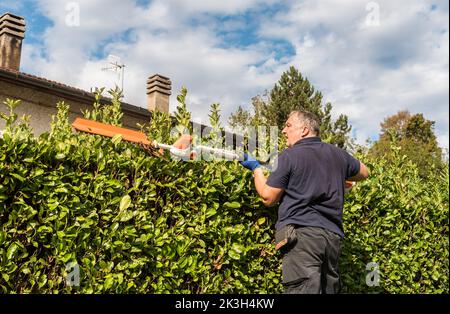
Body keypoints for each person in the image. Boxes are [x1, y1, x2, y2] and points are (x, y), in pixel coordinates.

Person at [239, 111, 369, 294]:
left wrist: (256, 169)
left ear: (304, 130)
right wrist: (338, 174)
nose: (284, 130)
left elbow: (268, 197)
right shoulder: (339, 155)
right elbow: (364, 172)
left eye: (288, 125)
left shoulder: (289, 156)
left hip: (303, 238)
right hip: (332, 240)